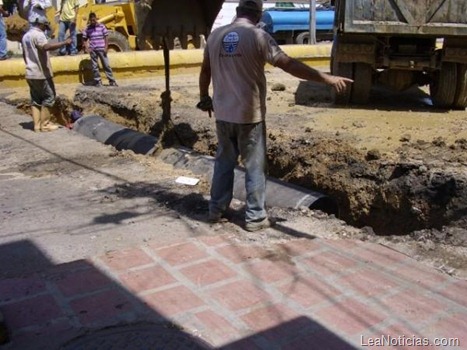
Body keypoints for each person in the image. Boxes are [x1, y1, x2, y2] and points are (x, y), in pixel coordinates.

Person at [198, 0, 352, 232]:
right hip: (249, 116)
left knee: (224, 163)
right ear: (258, 14)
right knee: (255, 167)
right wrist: (326, 78)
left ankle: (215, 210)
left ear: (238, 12)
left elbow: (205, 71)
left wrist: (204, 97)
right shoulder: (258, 36)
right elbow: (288, 65)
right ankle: (255, 218)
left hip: (223, 114)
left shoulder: (216, 35)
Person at [22, 17, 72, 132]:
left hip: (30, 72)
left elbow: (25, 55)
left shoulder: (26, 36)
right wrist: (64, 42)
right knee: (49, 97)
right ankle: (45, 125)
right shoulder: (39, 35)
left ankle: (36, 125)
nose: (45, 29)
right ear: (42, 25)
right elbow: (45, 47)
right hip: (41, 73)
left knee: (35, 100)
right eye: (45, 27)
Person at [82, 12, 118, 87]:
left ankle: (112, 81)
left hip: (102, 49)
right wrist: (87, 48)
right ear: (89, 20)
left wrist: (106, 47)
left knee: (106, 65)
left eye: (94, 20)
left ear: (96, 19)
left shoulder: (102, 26)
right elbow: (84, 39)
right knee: (95, 67)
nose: (93, 22)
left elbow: (106, 37)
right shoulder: (88, 29)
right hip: (93, 50)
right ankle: (98, 81)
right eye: (91, 20)